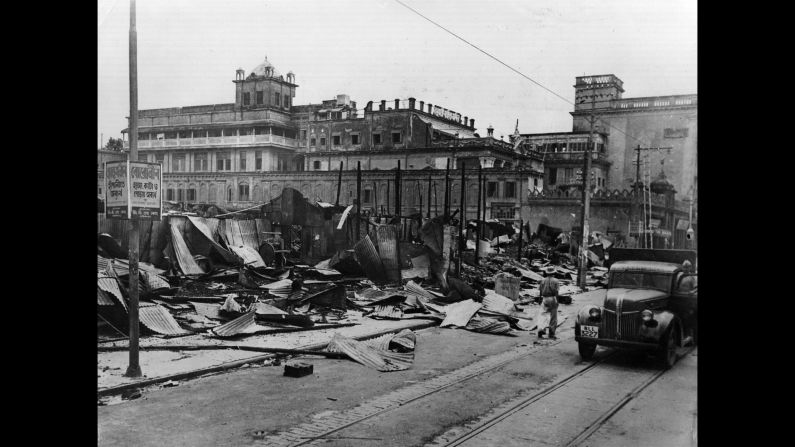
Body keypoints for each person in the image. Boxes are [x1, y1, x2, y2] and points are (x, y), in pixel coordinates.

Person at [537, 266, 560, 339]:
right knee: (553, 316)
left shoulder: (542, 280)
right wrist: (557, 301)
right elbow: (556, 292)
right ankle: (551, 333)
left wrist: (540, 299)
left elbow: (540, 291)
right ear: (554, 272)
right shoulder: (556, 281)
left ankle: (541, 329)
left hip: (545, 298)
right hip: (552, 298)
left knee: (542, 315)